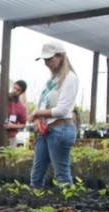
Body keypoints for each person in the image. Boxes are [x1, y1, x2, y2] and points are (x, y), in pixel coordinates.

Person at [29, 42, 79, 187]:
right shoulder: (51, 81)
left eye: (49, 59)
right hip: (47, 130)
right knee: (36, 174)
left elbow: (62, 110)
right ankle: (36, 205)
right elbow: (43, 103)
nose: (46, 63)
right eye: (44, 60)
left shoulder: (70, 78)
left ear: (61, 56)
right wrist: (38, 118)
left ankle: (68, 206)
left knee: (62, 174)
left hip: (61, 130)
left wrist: (37, 113)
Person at [0, 80, 28, 148]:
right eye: (14, 88)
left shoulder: (22, 107)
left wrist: (12, 126)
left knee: (9, 157)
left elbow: (23, 124)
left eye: (18, 90)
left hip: (11, 137)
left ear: (22, 92)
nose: (15, 91)